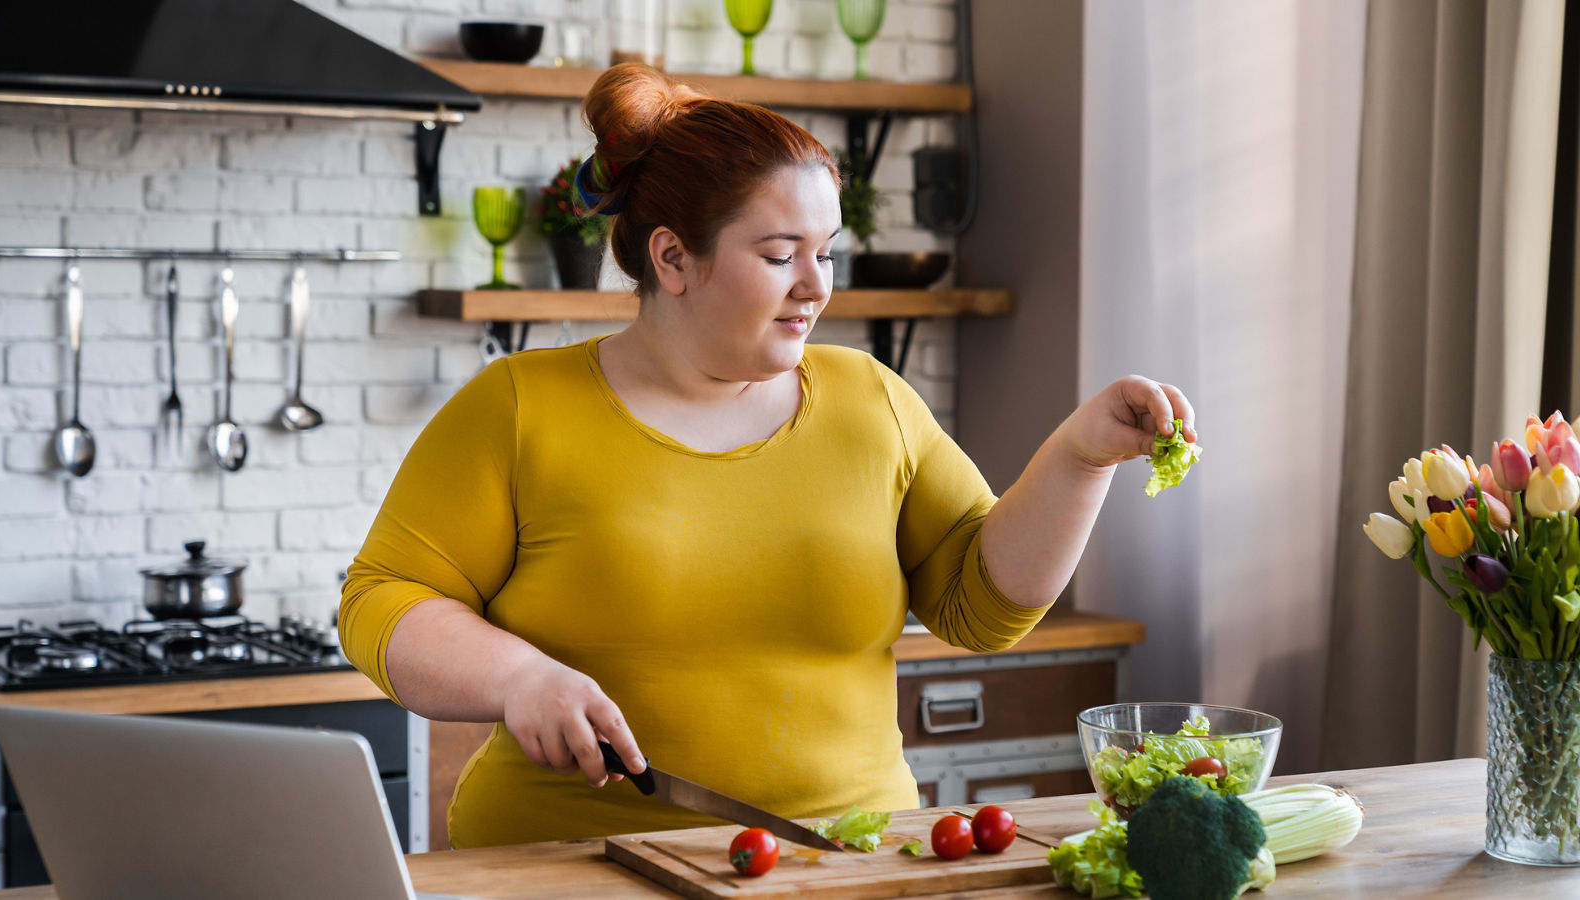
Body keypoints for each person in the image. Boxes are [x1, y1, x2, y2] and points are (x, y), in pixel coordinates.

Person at [338, 63, 1198, 849]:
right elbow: (382, 601)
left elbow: (981, 607)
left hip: (847, 855)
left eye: (826, 253)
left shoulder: (872, 399)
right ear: (673, 256)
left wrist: (1082, 458)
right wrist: (517, 675)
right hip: (573, 864)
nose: (817, 284)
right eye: (781, 255)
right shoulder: (521, 406)